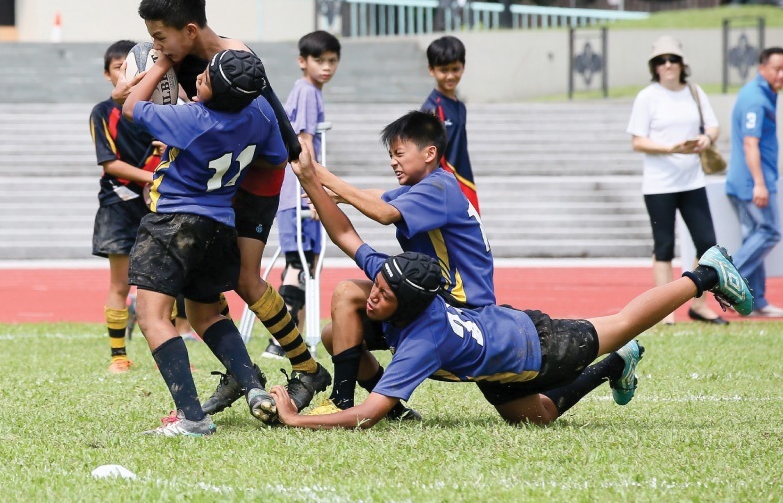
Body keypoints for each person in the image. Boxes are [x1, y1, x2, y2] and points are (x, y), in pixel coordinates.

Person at [268, 139, 754, 430]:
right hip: (492, 362)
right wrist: (309, 176)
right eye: (378, 287)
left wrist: (297, 421)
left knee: (624, 322)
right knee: (538, 418)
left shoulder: (421, 340)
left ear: (406, 309)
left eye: (382, 296)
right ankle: (612, 368)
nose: (372, 294)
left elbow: (366, 416)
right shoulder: (403, 290)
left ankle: (706, 273)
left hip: (536, 343)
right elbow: (346, 234)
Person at [115, 0, 331, 413]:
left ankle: (306, 367)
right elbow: (125, 96)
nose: (156, 46)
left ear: (189, 30)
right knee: (204, 290)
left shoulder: (235, 59)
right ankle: (242, 375)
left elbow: (276, 122)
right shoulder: (176, 56)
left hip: (253, 176)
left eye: (160, 37)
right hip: (217, 177)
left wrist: (301, 168)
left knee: (245, 280)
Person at [124, 48, 286, 436]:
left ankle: (192, 418)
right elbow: (274, 157)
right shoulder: (261, 112)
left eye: (206, 76)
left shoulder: (192, 119)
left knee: (152, 317)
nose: (199, 76)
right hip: (220, 225)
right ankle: (252, 387)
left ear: (213, 91)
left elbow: (131, 106)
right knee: (207, 314)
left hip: (173, 223)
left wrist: (161, 64)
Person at [306, 111, 495, 419]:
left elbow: (383, 212)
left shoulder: (440, 188)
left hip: (461, 308)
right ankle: (395, 412)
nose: (393, 161)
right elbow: (378, 196)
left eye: (399, 154)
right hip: (431, 298)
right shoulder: (424, 187)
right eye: (390, 155)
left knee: (347, 293)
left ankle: (340, 403)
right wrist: (337, 197)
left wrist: (321, 176)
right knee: (334, 335)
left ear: (429, 153)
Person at [627, 36, 727, 325]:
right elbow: (637, 141)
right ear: (655, 67)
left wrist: (706, 138)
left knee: (707, 243)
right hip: (659, 184)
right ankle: (664, 312)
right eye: (661, 60)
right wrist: (669, 148)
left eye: (672, 59)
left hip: (692, 180)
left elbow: (713, 125)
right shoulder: (648, 96)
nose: (668, 65)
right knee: (664, 246)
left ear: (683, 64)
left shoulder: (694, 92)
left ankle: (699, 304)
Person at [265, 30, 341, 359]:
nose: (326, 67)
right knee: (301, 264)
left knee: (301, 263)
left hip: (292, 190)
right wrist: (316, 189)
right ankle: (280, 341)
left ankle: (290, 340)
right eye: (318, 60)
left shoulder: (305, 90)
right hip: (300, 191)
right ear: (302, 61)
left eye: (332, 61)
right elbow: (304, 142)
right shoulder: (307, 91)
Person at [90, 39, 161, 373]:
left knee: (164, 283)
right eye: (119, 69)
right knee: (120, 284)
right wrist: (150, 179)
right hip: (118, 204)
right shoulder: (103, 113)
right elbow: (109, 163)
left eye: (132, 68)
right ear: (108, 75)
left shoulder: (158, 108)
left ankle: (171, 352)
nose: (126, 75)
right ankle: (119, 356)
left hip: (158, 205)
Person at [725, 46, 783, 317]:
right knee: (770, 231)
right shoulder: (756, 99)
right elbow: (751, 143)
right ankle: (724, 277)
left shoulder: (761, 93)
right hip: (752, 182)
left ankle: (757, 300)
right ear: (762, 69)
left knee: (755, 236)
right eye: (777, 69)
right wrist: (760, 183)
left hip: (746, 180)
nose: (781, 75)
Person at [420, 36, 479, 213]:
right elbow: (425, 157)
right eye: (444, 70)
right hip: (445, 189)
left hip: (465, 181)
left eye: (455, 69)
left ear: (463, 67)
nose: (450, 75)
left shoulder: (460, 106)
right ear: (431, 69)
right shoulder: (431, 108)